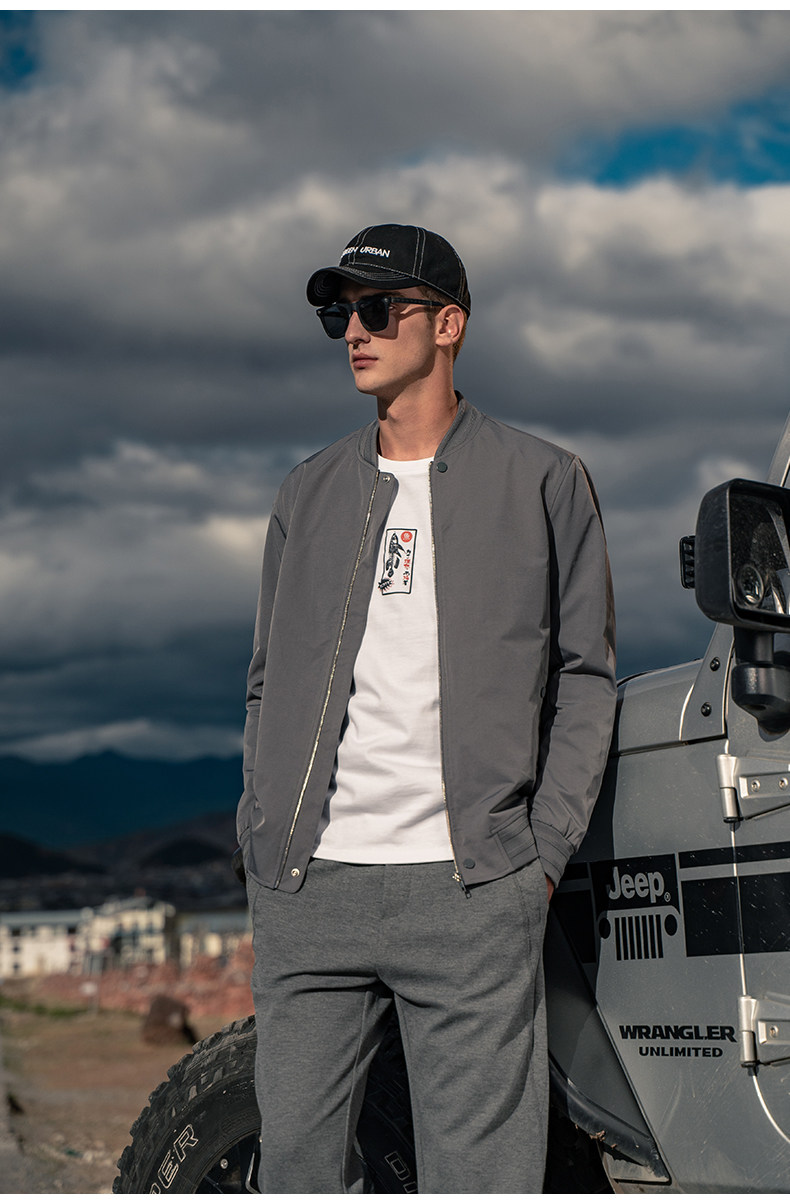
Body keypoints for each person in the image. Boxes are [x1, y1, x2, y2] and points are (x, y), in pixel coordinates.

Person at [237, 223, 617, 1193]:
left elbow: (585, 676)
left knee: (480, 1179)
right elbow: (267, 679)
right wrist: (263, 831)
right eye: (340, 314)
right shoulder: (307, 491)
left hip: (471, 889)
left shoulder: (544, 479)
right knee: (296, 1171)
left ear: (448, 325)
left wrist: (537, 856)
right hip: (309, 887)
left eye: (377, 309)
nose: (353, 332)